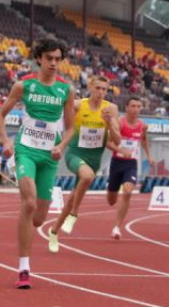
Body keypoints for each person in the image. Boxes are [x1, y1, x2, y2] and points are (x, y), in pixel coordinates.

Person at [0, 37, 75, 289]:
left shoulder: (66, 90)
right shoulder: (24, 86)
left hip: (49, 157)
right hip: (26, 150)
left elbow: (71, 127)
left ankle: (27, 233)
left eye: (57, 59)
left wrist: (61, 146)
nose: (53, 63)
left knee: (39, 218)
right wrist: (6, 142)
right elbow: (0, 114)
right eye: (49, 58)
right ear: (39, 58)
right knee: (27, 202)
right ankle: (24, 268)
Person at [48, 75, 120, 252]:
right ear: (90, 87)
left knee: (73, 196)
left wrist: (110, 122)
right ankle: (74, 214)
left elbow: (117, 140)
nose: (101, 92)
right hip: (75, 153)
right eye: (98, 88)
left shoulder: (111, 109)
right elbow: (59, 114)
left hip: (95, 158)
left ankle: (54, 232)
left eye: (104, 89)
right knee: (87, 176)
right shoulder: (79, 105)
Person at [106, 96, 155, 239]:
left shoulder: (142, 126)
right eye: (133, 106)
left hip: (131, 164)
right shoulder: (120, 124)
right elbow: (108, 143)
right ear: (127, 107)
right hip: (116, 162)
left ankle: (117, 227)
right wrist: (122, 151)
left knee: (127, 192)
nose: (136, 109)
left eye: (138, 106)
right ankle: (111, 189)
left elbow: (144, 140)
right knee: (111, 200)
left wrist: (149, 155)